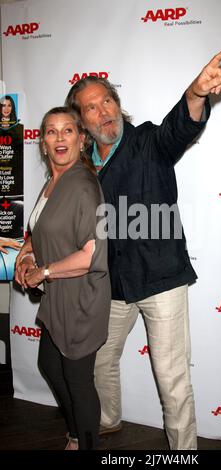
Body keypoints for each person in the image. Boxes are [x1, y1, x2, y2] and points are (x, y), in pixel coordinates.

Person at [20, 47, 221, 450]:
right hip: (110, 285)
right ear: (81, 122)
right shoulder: (79, 171)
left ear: (119, 105)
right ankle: (107, 421)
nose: (104, 112)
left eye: (108, 102)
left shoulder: (148, 142)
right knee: (99, 363)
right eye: (92, 108)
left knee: (172, 379)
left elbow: (178, 128)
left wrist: (196, 94)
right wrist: (30, 250)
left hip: (161, 280)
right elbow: (59, 225)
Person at [15, 106, 111, 450]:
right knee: (50, 365)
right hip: (58, 298)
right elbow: (40, 229)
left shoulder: (84, 186)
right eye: (52, 131)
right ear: (43, 143)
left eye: (68, 130)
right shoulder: (52, 181)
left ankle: (85, 443)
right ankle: (74, 433)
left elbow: (90, 255)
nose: (59, 138)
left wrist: (43, 271)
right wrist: (26, 254)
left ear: (81, 139)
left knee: (78, 381)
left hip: (81, 300)